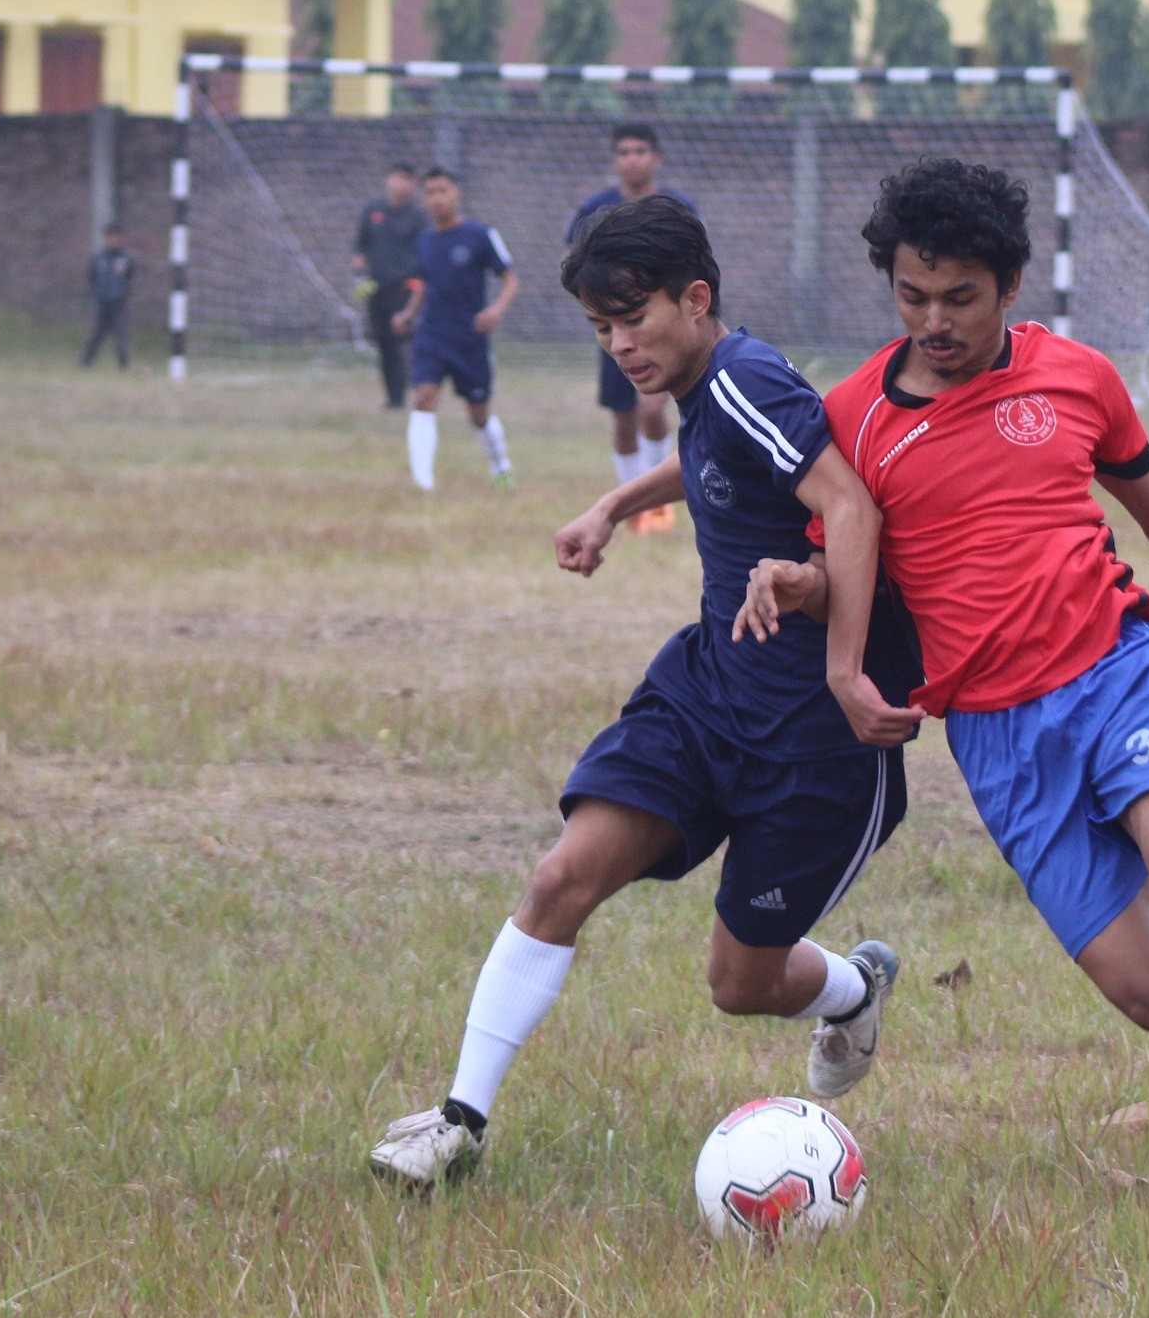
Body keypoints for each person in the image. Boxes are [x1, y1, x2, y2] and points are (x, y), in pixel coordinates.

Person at [742, 159, 1149, 1245]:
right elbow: (835, 568)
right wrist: (790, 584)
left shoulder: (1077, 378)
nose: (934, 322)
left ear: (1013, 283)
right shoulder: (855, 420)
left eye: (961, 298)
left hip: (1117, 669)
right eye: (911, 296)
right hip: (996, 735)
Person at [369, 194, 924, 1190]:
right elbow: (717, 455)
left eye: (634, 318)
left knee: (740, 983)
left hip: (813, 745)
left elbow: (849, 501)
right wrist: (617, 501)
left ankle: (853, 990)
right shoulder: (710, 385)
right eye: (600, 327)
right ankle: (458, 1122)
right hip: (709, 694)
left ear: (696, 299)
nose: (619, 344)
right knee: (560, 880)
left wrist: (844, 670)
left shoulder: (749, 376)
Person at [568, 123, 693, 532]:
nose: (631, 159)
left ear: (656, 158)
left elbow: (695, 264)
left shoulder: (676, 206)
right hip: (618, 328)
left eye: (640, 150)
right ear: (614, 160)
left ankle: (658, 505)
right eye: (623, 152)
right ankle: (632, 508)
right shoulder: (594, 210)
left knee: (652, 409)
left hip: (659, 329)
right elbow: (576, 265)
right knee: (623, 418)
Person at [389, 167, 517, 492]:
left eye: (443, 190)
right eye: (430, 192)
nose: (437, 199)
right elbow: (424, 285)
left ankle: (500, 465)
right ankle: (423, 482)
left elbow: (510, 279)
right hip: (431, 334)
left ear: (457, 193)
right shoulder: (425, 240)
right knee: (423, 397)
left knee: (479, 415)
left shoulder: (480, 235)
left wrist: (496, 310)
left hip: (469, 338)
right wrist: (407, 314)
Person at [352, 163, 427, 409]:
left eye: (407, 179)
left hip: (406, 288)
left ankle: (419, 386)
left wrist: (419, 283)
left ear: (413, 185)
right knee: (384, 343)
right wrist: (359, 275)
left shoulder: (418, 216)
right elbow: (359, 247)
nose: (402, 184)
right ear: (388, 180)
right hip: (377, 288)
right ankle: (394, 399)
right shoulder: (373, 211)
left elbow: (426, 252)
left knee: (405, 338)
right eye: (398, 178)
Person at [80, 223, 135, 370]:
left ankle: (123, 366)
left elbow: (132, 278)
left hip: (118, 303)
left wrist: (124, 293)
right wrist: (95, 292)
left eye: (116, 237)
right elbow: (91, 277)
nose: (113, 240)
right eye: (110, 237)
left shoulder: (126, 258)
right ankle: (85, 363)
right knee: (96, 334)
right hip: (102, 302)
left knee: (120, 335)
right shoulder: (99, 257)